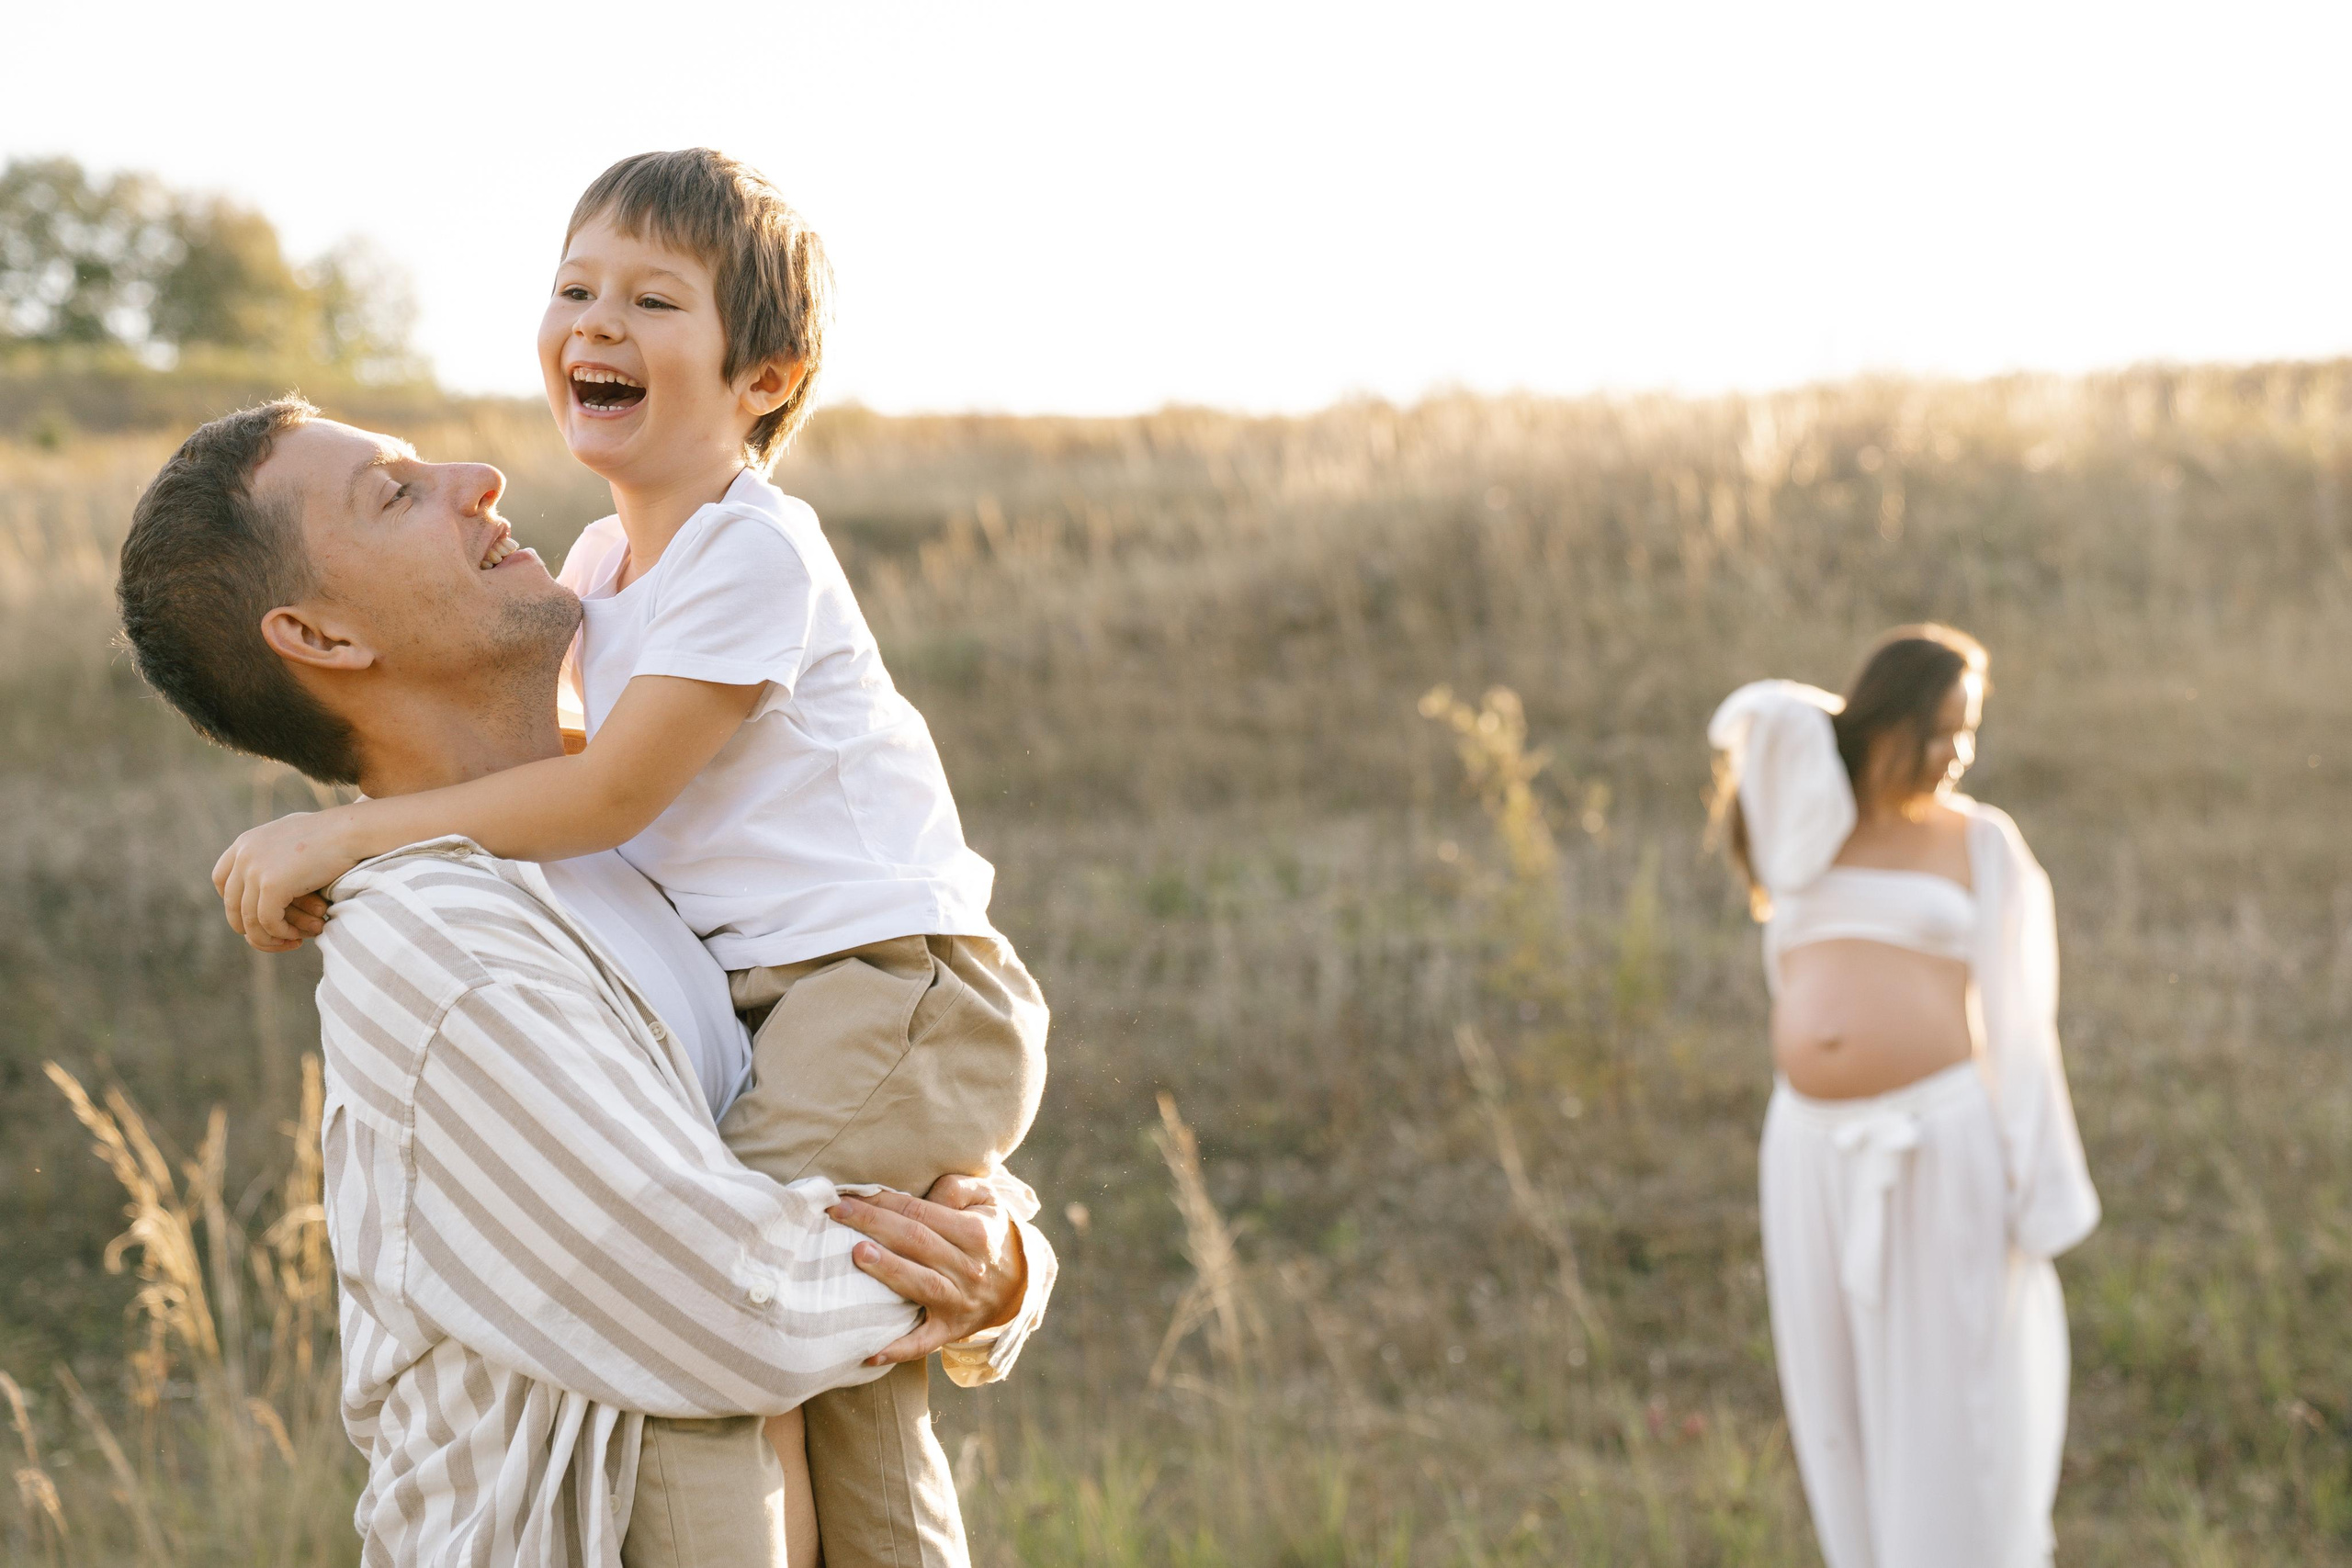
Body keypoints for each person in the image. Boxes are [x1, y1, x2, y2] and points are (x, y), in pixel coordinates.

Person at [204, 151, 1047, 1566]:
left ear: (765, 379)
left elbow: (603, 786)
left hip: (888, 982)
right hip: (835, 1006)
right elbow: (723, 1296)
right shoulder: (439, 925)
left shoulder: (744, 559)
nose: (596, 321)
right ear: (322, 635)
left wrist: (1001, 1262)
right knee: (817, 1338)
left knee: (841, 1341)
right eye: (575, 288)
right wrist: (988, 1270)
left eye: (652, 299)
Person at [1707, 626, 2099, 1568]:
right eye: (1939, 730)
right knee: (1833, 1392)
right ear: (1884, 721)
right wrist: (1841, 733)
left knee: (1951, 1392)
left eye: (1968, 731)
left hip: (1937, 1144)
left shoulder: (1981, 842)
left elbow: (2022, 1023)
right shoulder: (1807, 829)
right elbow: (1752, 714)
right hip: (1808, 1149)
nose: (1957, 753)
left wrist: (2033, 1181)